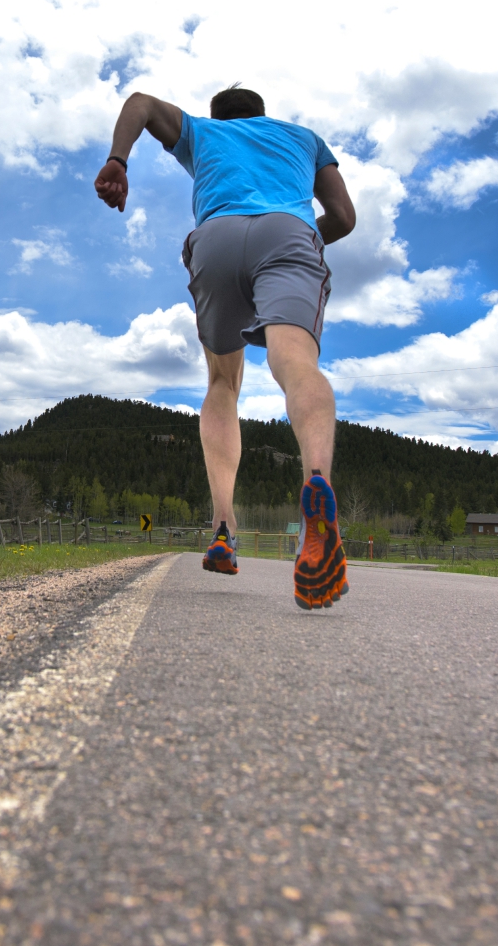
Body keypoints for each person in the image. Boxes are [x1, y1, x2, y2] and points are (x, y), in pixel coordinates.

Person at [94, 84, 356, 609]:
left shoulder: (204, 133)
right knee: (295, 362)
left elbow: (141, 103)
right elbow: (344, 217)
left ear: (218, 118)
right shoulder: (303, 138)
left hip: (215, 237)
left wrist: (118, 161)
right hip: (288, 230)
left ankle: (222, 526)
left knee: (221, 383)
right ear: (262, 114)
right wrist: (300, 237)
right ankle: (317, 485)